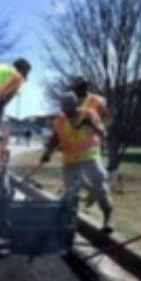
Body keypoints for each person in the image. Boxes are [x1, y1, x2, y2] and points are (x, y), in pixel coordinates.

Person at [40, 94, 113, 232]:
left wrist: (91, 124)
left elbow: (102, 133)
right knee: (70, 193)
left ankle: (107, 222)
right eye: (64, 108)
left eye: (69, 107)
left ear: (75, 105)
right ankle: (69, 223)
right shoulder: (60, 121)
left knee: (100, 188)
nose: (66, 111)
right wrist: (47, 153)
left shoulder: (88, 114)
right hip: (71, 162)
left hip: (90, 159)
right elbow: (54, 139)